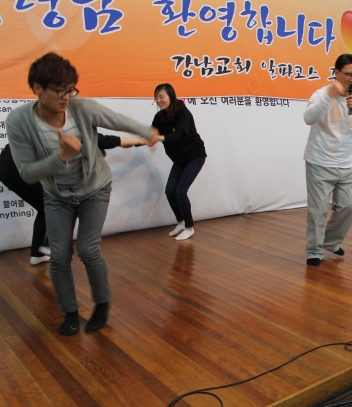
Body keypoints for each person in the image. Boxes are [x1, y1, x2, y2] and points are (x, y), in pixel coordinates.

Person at [7, 52, 160, 336]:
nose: (67, 97)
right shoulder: (19, 122)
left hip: (94, 188)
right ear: (37, 88)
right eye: (59, 91)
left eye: (71, 90)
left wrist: (147, 132)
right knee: (58, 256)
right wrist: (61, 156)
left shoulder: (81, 107)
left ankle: (102, 302)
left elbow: (116, 120)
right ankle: (70, 312)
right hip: (57, 196)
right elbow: (27, 173)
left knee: (89, 250)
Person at [0, 135, 147, 266]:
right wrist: (136, 140)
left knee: (44, 207)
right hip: (16, 167)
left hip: (7, 167)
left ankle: (37, 254)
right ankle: (51, 247)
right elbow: (103, 140)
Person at [303, 54, 352, 266]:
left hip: (346, 164)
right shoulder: (322, 93)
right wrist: (330, 96)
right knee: (317, 212)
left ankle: (330, 241)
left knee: (348, 208)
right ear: (336, 72)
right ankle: (314, 251)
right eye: (349, 74)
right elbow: (308, 118)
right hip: (319, 162)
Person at [152, 83, 207, 241]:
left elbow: (180, 134)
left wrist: (159, 137)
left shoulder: (183, 112)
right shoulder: (159, 117)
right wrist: (131, 142)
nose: (158, 100)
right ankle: (181, 223)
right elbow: (150, 135)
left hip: (195, 156)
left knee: (180, 192)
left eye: (161, 96)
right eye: (156, 97)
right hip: (179, 159)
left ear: (170, 96)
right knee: (170, 191)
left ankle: (189, 227)